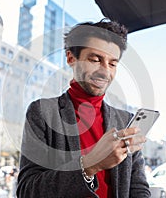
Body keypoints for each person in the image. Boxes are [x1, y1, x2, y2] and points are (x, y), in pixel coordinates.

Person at [17, 19, 151, 197]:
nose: (105, 71)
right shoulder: (42, 112)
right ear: (71, 58)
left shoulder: (125, 121)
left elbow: (139, 188)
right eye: (95, 59)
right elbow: (27, 191)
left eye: (112, 64)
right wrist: (89, 165)